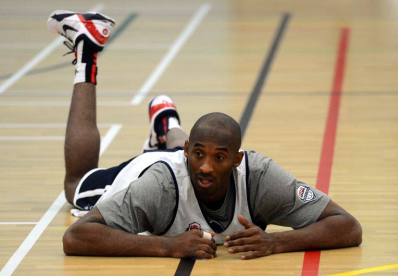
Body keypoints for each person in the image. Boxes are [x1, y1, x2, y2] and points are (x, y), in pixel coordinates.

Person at [48, 10, 362, 260]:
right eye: (199, 154)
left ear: (238, 160)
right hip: (149, 171)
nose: (207, 166)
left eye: (220, 157)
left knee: (199, 149)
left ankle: (168, 127)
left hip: (178, 156)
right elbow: (76, 236)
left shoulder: (260, 178)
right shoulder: (157, 188)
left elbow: (348, 226)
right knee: (75, 185)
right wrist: (167, 247)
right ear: (189, 153)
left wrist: (275, 242)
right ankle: (87, 52)